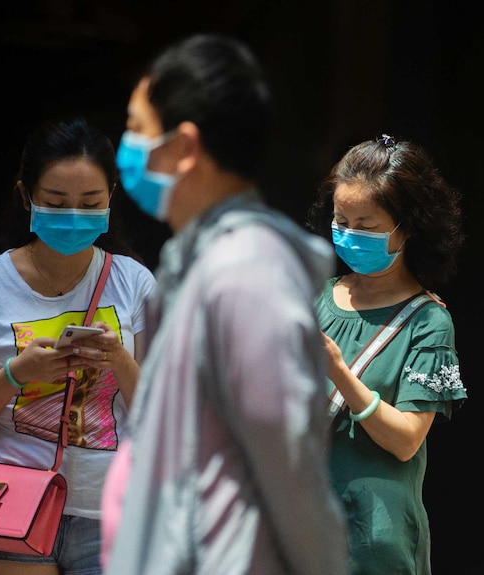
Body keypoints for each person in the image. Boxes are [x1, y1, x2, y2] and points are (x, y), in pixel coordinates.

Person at [99, 33, 348, 575]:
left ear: (186, 148)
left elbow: (291, 468)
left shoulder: (245, 273)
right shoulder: (201, 262)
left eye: (137, 128)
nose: (127, 146)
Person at [0, 117, 156, 574]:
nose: (73, 215)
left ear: (111, 196)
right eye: (56, 202)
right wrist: (16, 375)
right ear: (25, 196)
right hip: (5, 505)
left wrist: (120, 361)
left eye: (90, 202)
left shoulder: (136, 284)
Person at [306, 134, 467, 575]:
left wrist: (339, 373)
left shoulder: (429, 323)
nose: (350, 235)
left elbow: (406, 439)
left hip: (374, 541)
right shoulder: (310, 297)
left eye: (367, 225)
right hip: (300, 528)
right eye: (341, 221)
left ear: (407, 227)